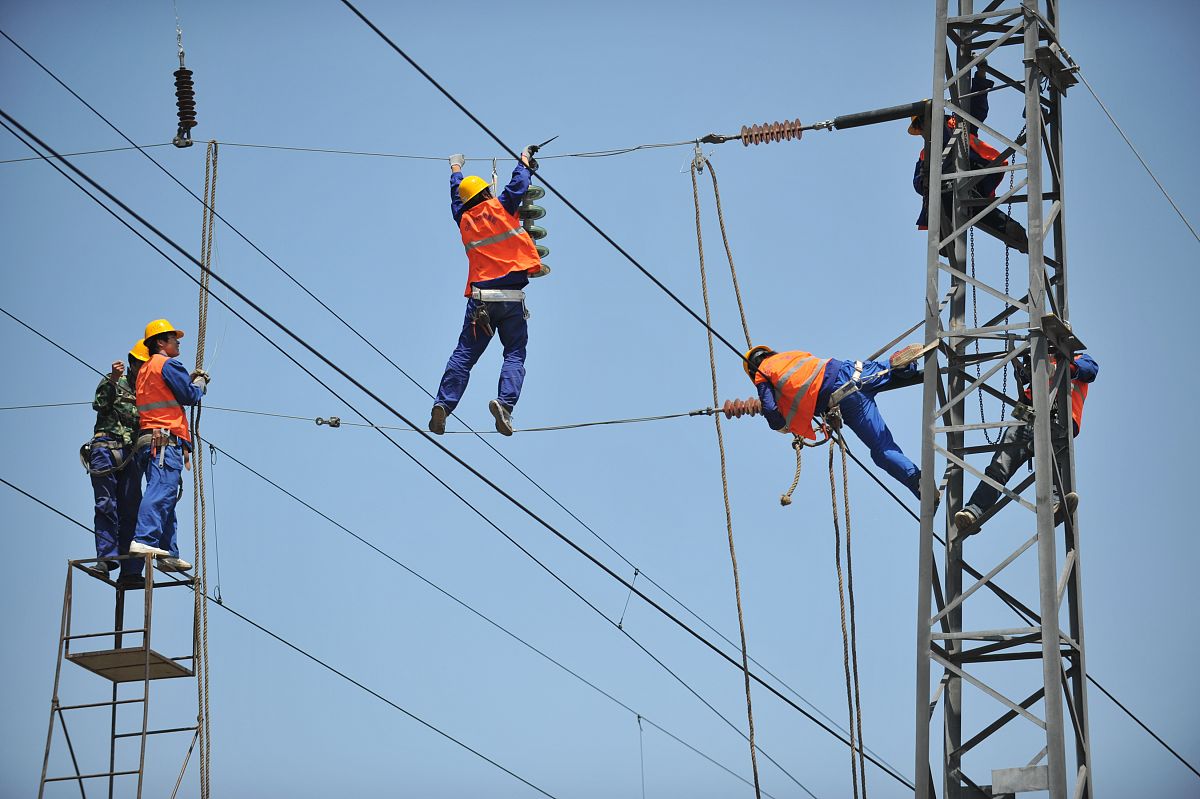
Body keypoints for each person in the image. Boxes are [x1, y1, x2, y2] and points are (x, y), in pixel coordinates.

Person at [428, 149, 545, 437]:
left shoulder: (463, 219)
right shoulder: (501, 207)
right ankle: (504, 404)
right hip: (511, 298)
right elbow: (519, 183)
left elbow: (457, 195)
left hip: (481, 301)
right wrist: (525, 159)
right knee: (514, 353)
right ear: (486, 192)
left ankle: (443, 404)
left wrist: (455, 168)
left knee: (464, 354)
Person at [738, 344, 927, 499]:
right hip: (851, 370)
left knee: (881, 449)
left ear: (752, 370)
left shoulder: (762, 373)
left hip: (843, 397)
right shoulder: (792, 355)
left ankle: (918, 482)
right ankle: (903, 366)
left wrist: (781, 426)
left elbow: (771, 409)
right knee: (889, 370)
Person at [954, 352, 1098, 534]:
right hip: (1028, 419)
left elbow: (1089, 370)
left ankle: (1056, 507)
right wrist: (1026, 364)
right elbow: (1022, 375)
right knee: (999, 467)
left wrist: (1057, 368)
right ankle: (974, 511)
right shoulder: (1039, 355)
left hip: (1059, 423)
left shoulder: (1080, 359)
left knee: (1056, 462)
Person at [909, 61, 1028, 252]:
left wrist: (980, 76)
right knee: (969, 209)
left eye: (922, 124)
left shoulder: (956, 124)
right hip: (952, 189)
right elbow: (917, 183)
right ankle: (1009, 230)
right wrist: (924, 180)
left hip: (972, 175)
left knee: (966, 204)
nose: (923, 130)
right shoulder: (925, 154)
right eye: (919, 127)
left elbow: (976, 107)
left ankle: (1009, 232)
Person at [126, 318, 209, 583]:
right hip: (164, 441)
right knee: (162, 490)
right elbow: (189, 395)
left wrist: (189, 382)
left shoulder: (145, 370)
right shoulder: (168, 364)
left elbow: (167, 393)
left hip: (150, 440)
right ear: (161, 342)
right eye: (174, 338)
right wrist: (199, 384)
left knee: (167, 497)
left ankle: (168, 551)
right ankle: (145, 539)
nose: (178, 342)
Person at [82, 341, 149, 582]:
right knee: (106, 505)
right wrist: (112, 378)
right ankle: (106, 559)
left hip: (131, 454)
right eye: (141, 365)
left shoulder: (148, 392)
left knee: (132, 511)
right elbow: (100, 404)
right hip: (105, 448)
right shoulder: (115, 382)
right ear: (133, 364)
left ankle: (131, 571)